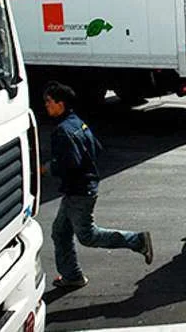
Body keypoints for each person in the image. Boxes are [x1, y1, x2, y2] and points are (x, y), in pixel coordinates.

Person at [44, 81, 152, 289]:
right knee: (60, 232)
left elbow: (69, 164)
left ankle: (137, 241)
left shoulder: (62, 131)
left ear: (61, 103)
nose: (46, 106)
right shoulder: (78, 123)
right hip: (81, 187)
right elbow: (96, 149)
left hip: (79, 191)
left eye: (49, 102)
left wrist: (47, 168)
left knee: (87, 235)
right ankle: (72, 276)